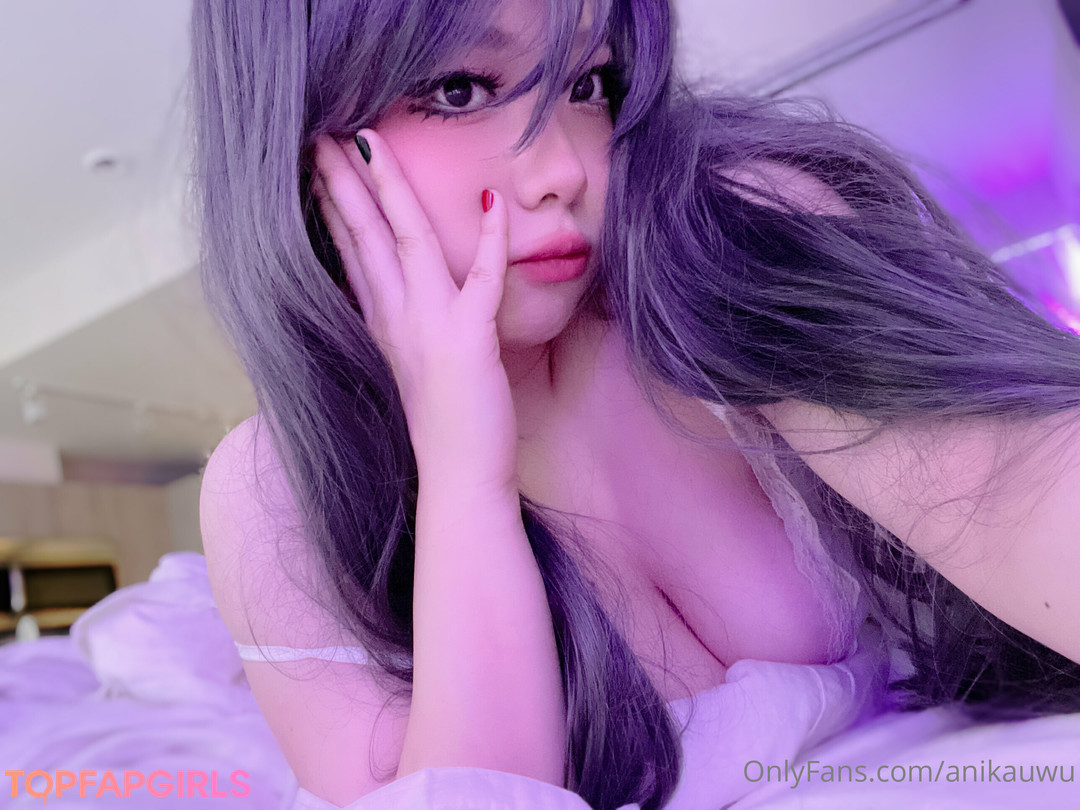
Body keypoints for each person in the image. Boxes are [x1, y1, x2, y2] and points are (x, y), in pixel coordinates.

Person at [190, 0, 1080, 808]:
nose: (564, 169)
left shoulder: (714, 243)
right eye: (459, 91)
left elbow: (1009, 486)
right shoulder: (274, 491)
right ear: (296, 133)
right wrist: (461, 479)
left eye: (587, 83)